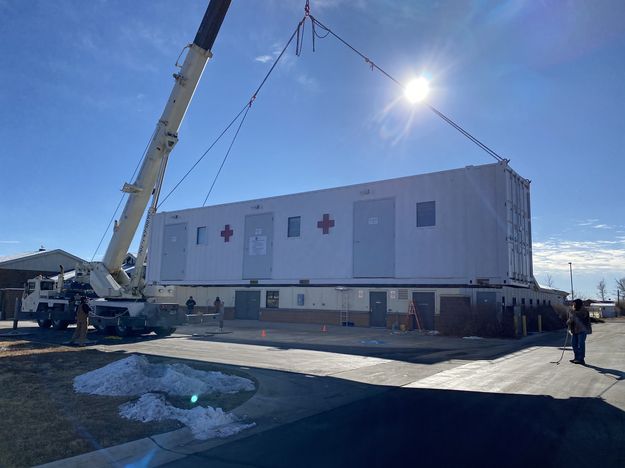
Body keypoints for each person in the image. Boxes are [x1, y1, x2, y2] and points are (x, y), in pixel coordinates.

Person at [568, 298, 591, 365]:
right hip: (574, 330)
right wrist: (569, 321)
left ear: (578, 303)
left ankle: (581, 359)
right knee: (574, 344)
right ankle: (576, 358)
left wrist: (573, 314)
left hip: (582, 330)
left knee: (581, 344)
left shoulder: (584, 310)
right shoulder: (573, 310)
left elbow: (579, 318)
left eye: (574, 303)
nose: (573, 305)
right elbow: (571, 319)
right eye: (573, 303)